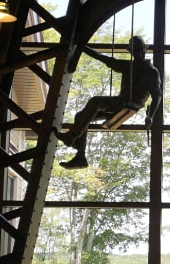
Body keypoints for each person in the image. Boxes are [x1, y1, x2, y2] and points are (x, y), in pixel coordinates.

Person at [55, 36, 162, 169]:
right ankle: (80, 156)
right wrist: (82, 46)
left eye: (139, 49)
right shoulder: (128, 66)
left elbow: (157, 96)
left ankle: (71, 137)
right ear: (131, 52)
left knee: (95, 102)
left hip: (129, 104)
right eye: (134, 50)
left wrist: (151, 116)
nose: (137, 52)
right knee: (81, 116)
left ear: (144, 50)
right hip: (121, 103)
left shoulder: (151, 71)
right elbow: (102, 58)